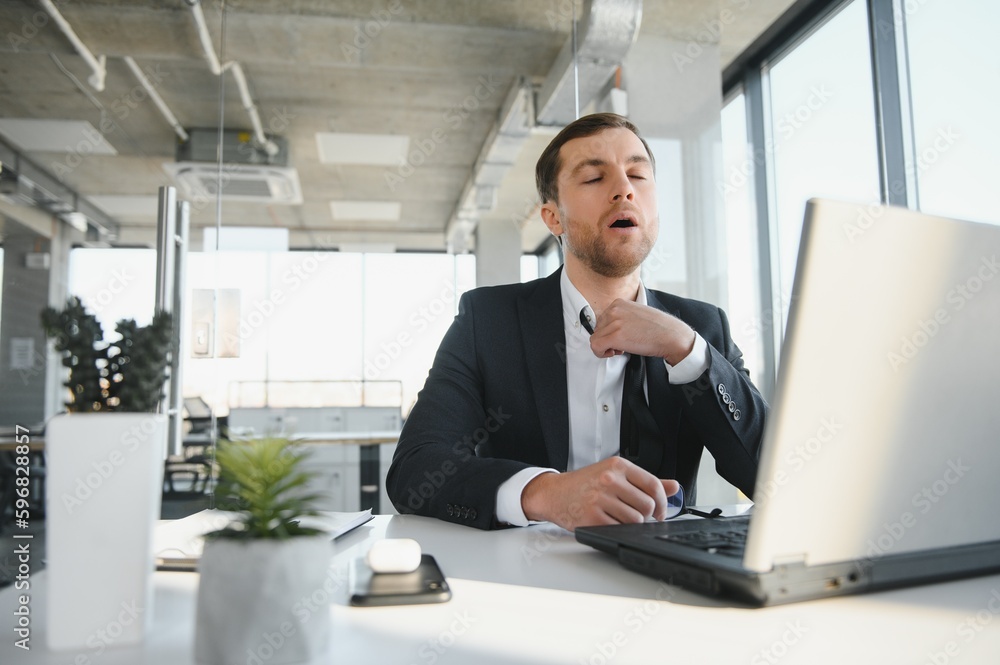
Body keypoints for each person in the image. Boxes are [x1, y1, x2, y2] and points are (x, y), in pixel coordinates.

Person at [387, 113, 766, 531]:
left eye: (638, 175)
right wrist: (546, 493)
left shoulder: (701, 329)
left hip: (664, 579)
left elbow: (773, 477)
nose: (624, 190)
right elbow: (415, 468)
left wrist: (687, 350)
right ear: (553, 218)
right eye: (593, 179)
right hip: (520, 576)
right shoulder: (488, 321)